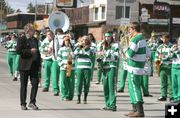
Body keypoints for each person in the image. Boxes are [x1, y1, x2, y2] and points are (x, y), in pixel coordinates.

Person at [16, 23, 41, 110]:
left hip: (34, 66)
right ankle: (23, 103)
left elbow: (37, 52)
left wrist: (39, 63)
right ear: (27, 31)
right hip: (24, 66)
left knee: (35, 83)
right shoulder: (21, 39)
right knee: (24, 85)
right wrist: (30, 51)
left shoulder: (35, 40)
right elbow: (18, 51)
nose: (34, 31)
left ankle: (32, 102)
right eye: (32, 30)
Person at [125, 22, 146, 117]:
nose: (129, 32)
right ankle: (135, 109)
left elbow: (130, 54)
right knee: (132, 88)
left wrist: (125, 49)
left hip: (134, 66)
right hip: (136, 66)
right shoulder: (142, 38)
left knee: (135, 88)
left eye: (130, 30)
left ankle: (140, 111)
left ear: (133, 29)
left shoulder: (136, 39)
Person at [99, 32, 119, 112]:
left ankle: (113, 105)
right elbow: (99, 55)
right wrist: (100, 57)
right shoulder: (103, 45)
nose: (107, 38)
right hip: (104, 67)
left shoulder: (115, 45)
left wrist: (106, 54)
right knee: (105, 87)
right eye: (106, 37)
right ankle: (107, 104)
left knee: (112, 86)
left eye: (109, 37)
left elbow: (116, 56)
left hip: (111, 67)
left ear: (111, 37)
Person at [74, 35, 94, 104]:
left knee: (87, 83)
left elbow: (91, 54)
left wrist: (82, 54)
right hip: (80, 67)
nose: (84, 41)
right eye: (83, 40)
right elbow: (75, 54)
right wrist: (80, 47)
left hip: (87, 68)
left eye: (86, 40)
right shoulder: (79, 48)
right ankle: (78, 98)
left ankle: (85, 98)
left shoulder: (91, 49)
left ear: (88, 41)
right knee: (79, 83)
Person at [155, 34, 173, 102]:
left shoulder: (171, 47)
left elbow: (171, 56)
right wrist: (157, 62)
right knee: (163, 82)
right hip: (162, 67)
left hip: (169, 66)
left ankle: (171, 96)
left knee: (170, 82)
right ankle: (163, 95)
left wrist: (164, 58)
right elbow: (156, 56)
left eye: (166, 38)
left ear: (168, 39)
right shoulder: (160, 47)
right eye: (163, 38)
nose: (164, 40)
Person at [57, 35, 75, 100]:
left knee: (71, 82)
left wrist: (71, 64)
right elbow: (58, 58)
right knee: (64, 82)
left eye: (68, 40)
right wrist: (63, 65)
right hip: (63, 68)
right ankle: (64, 95)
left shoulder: (73, 49)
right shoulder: (61, 49)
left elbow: (75, 57)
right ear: (63, 42)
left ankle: (70, 96)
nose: (67, 41)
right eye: (65, 40)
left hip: (71, 68)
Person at [170, 37, 180, 103]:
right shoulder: (174, 47)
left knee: (179, 84)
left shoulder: (177, 49)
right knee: (174, 84)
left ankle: (179, 97)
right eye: (179, 40)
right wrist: (172, 50)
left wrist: (176, 50)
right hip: (174, 67)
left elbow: (178, 55)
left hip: (179, 67)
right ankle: (175, 96)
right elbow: (170, 56)